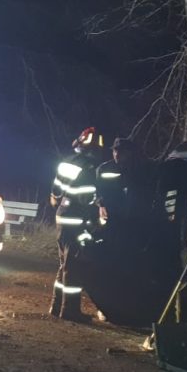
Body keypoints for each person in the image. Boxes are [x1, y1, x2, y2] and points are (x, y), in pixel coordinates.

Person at [49, 126, 105, 321]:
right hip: (76, 221)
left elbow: (55, 192)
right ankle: (70, 311)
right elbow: (86, 198)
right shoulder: (89, 167)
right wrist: (98, 206)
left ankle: (56, 306)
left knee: (64, 265)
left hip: (61, 217)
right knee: (73, 268)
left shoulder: (67, 161)